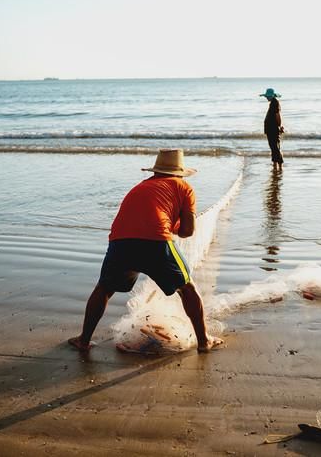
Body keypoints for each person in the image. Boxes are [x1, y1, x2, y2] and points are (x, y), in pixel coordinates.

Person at [69, 149, 223, 354]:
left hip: (120, 240)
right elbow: (187, 232)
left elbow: (145, 215)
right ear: (179, 172)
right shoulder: (184, 187)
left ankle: (84, 340)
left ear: (157, 170)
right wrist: (175, 224)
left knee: (104, 288)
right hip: (156, 242)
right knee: (187, 288)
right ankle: (204, 342)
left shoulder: (141, 186)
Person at [260, 88, 284, 168]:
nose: (266, 97)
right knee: (273, 147)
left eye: (267, 96)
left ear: (271, 96)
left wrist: (280, 126)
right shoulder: (273, 103)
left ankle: (279, 164)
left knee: (275, 147)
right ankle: (275, 164)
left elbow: (278, 115)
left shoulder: (274, 103)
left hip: (273, 129)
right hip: (271, 128)